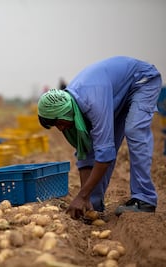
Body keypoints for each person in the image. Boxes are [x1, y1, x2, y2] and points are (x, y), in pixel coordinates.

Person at [37, 56, 162, 219]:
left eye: (59, 122)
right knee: (93, 147)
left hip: (141, 81)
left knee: (134, 130)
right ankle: (94, 206)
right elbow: (85, 152)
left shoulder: (92, 103)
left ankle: (144, 199)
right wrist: (86, 199)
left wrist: (81, 196)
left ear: (66, 111)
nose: (60, 128)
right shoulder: (73, 107)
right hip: (116, 96)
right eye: (55, 125)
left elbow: (105, 155)